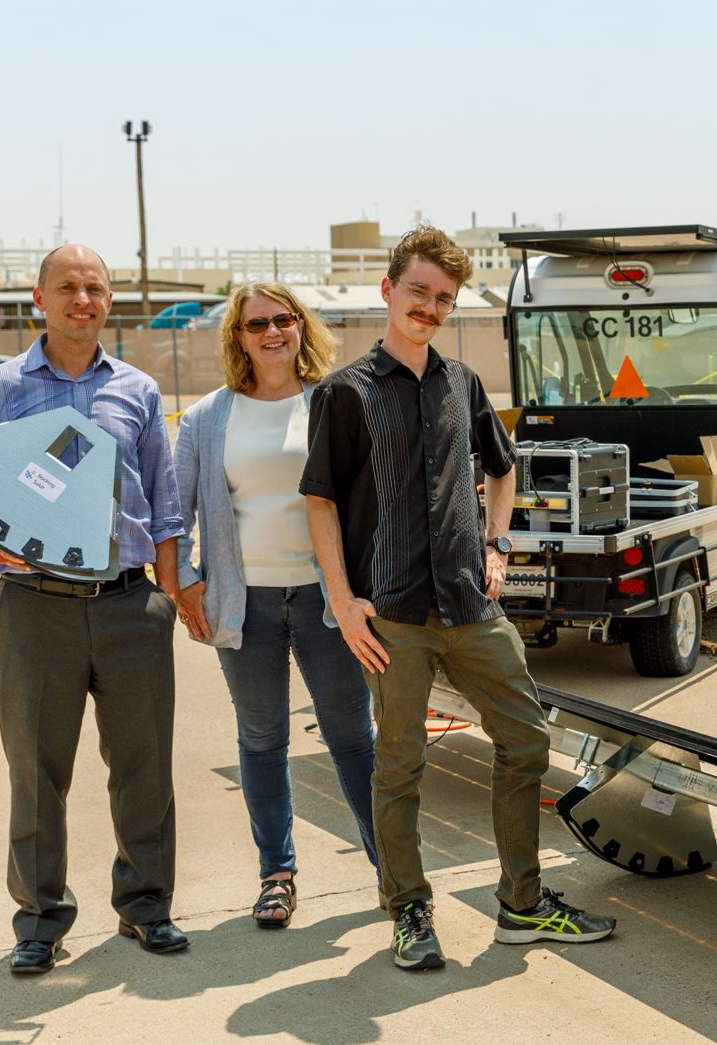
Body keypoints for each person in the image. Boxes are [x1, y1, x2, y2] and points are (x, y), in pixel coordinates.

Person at [300, 226, 616, 970]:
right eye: (419, 292)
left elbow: (503, 471)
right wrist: (343, 602)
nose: (430, 308)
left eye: (443, 298)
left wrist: (498, 546)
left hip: (472, 607)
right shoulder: (344, 395)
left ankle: (523, 905)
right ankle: (409, 911)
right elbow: (317, 502)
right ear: (388, 290)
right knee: (400, 765)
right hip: (392, 614)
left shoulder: (462, 384)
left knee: (528, 739)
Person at [0, 245, 188, 974]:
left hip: (131, 603)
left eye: (95, 288)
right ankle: (40, 919)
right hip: (34, 609)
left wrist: (166, 597)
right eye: (67, 286)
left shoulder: (137, 390)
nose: (82, 299)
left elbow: (163, 507)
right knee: (37, 770)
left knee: (144, 765)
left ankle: (147, 907)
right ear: (37, 297)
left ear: (109, 301)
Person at [173, 281, 378, 928]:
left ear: (300, 326)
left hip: (329, 600)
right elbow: (175, 512)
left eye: (282, 319)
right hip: (246, 604)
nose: (271, 331)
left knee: (352, 737)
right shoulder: (208, 417)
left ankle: (394, 868)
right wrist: (187, 582)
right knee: (262, 739)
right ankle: (277, 875)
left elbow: (369, 503)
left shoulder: (335, 402)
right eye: (255, 322)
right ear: (238, 336)